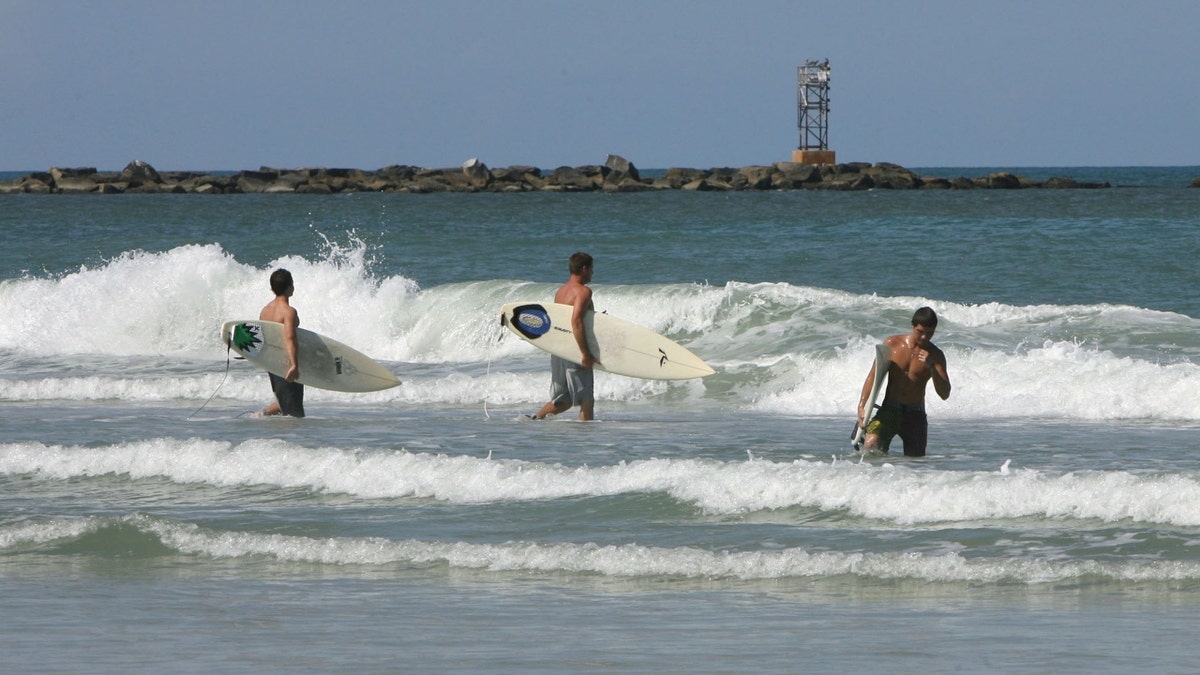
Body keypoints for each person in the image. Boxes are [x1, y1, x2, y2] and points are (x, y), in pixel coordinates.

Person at [856, 306, 951, 456]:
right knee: (870, 445)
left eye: (929, 333)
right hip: (889, 409)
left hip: (915, 414)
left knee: (915, 462)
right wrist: (862, 406)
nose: (924, 337)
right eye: (920, 332)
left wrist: (932, 367)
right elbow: (873, 376)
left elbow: (945, 393)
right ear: (913, 326)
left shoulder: (936, 356)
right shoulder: (892, 344)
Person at [530, 252, 600, 420]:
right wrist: (585, 353)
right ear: (584, 269)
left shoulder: (560, 291)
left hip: (559, 350)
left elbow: (560, 322)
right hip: (574, 350)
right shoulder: (583, 292)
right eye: (591, 269)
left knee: (563, 400)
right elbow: (576, 322)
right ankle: (584, 442)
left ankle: (533, 420)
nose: (592, 273)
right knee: (586, 401)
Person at [257, 268, 305, 418]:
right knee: (294, 412)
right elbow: (290, 339)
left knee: (284, 400)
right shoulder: (288, 311)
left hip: (271, 361)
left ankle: (262, 415)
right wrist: (294, 365)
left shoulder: (265, 311)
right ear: (290, 286)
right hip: (286, 362)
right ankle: (289, 439)